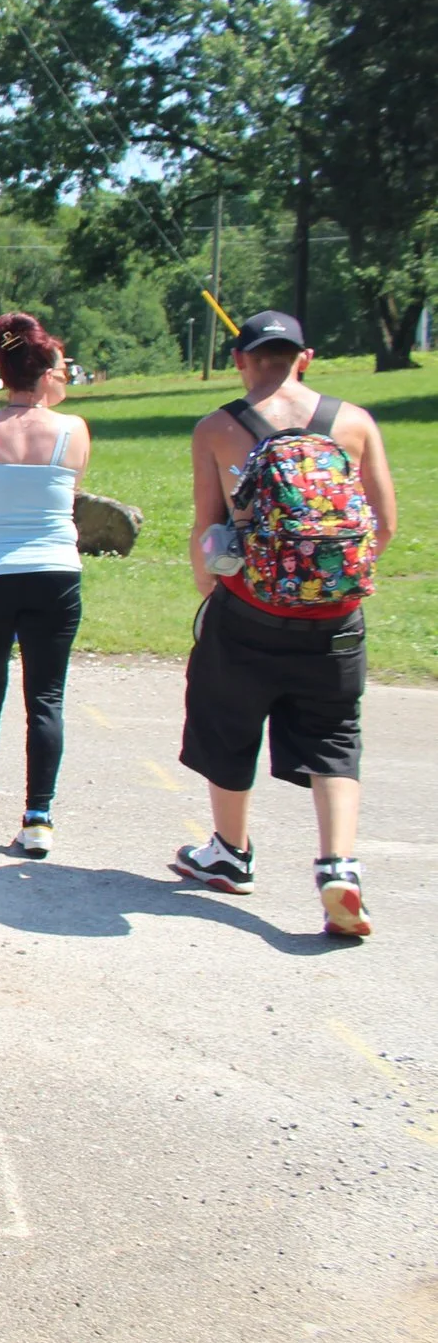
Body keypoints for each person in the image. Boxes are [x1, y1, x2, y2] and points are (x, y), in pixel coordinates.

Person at [170, 311, 396, 940]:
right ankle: (337, 866)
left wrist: (214, 587)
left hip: (250, 610)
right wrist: (335, 582)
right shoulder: (353, 423)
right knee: (335, 734)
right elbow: (384, 520)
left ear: (241, 361)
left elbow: (209, 528)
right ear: (306, 357)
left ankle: (230, 852)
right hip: (337, 616)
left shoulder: (219, 428)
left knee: (227, 722)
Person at [0, 311, 90, 858]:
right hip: (55, 570)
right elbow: (69, 494)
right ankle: (38, 815)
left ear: (0, 369)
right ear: (46, 365)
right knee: (46, 694)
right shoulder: (74, 431)